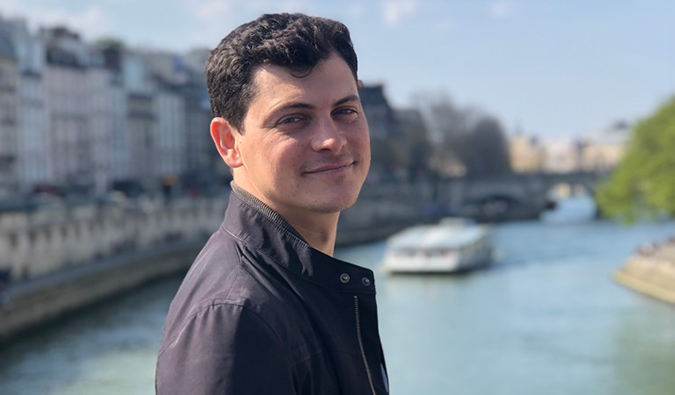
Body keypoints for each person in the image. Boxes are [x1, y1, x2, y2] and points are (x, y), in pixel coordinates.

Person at [155, 13, 389, 394]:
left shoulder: (286, 289)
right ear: (229, 142)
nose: (330, 140)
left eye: (345, 111)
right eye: (294, 119)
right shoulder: (235, 320)